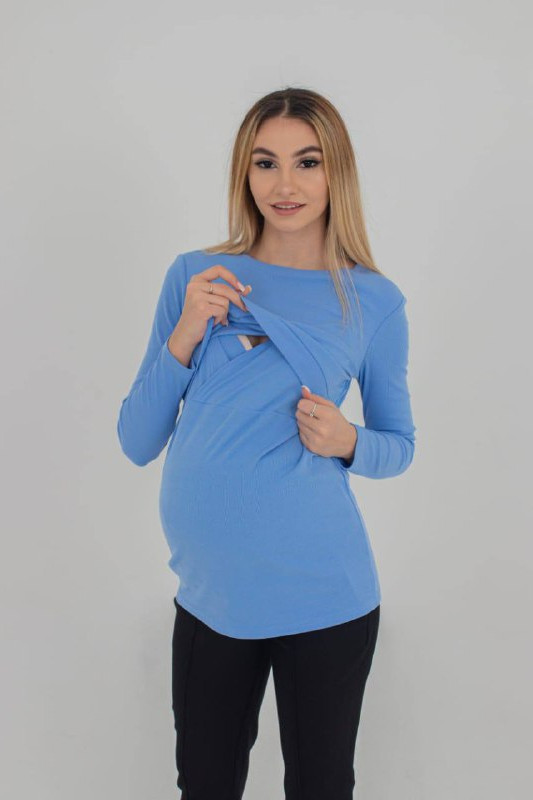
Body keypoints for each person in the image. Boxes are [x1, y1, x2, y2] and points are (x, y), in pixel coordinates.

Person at [117, 87, 416, 799]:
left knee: (319, 787)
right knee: (205, 785)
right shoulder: (195, 277)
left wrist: (347, 440)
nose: (285, 184)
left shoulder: (373, 301)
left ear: (336, 172)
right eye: (265, 163)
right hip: (211, 596)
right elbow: (136, 440)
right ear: (243, 173)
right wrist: (186, 333)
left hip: (324, 596)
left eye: (307, 162)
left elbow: (399, 444)